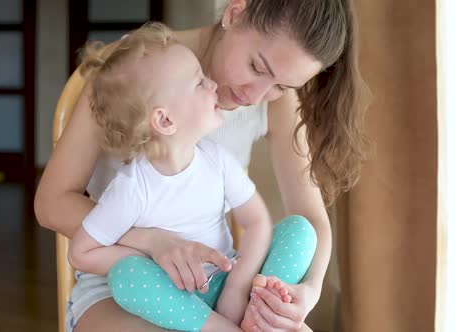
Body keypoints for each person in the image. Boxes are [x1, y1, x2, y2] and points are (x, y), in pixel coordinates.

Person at [34, 0, 369, 331]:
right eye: (257, 67)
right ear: (235, 14)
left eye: (282, 86)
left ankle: (247, 321)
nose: (256, 96)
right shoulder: (135, 65)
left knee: (297, 238)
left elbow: (310, 217)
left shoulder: (276, 105)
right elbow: (52, 203)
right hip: (122, 280)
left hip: (214, 280)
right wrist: (152, 241)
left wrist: (308, 292)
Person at [67, 22, 316, 332]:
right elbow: (81, 252)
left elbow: (258, 222)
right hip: (172, 297)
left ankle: (259, 311)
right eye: (199, 83)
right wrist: (149, 254)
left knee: (300, 231)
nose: (211, 85)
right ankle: (222, 328)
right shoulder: (132, 189)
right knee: (126, 276)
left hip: (225, 280)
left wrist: (237, 289)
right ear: (165, 119)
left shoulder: (217, 161)